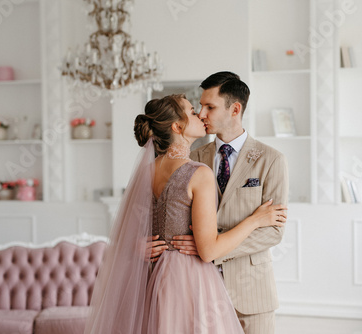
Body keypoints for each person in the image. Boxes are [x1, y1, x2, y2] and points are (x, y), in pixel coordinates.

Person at [83, 94, 287, 334]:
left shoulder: (147, 171)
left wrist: (139, 245)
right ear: (177, 126)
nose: (200, 114)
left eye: (205, 107)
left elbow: (133, 227)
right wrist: (256, 220)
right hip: (189, 279)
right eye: (193, 111)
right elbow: (209, 250)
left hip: (156, 276)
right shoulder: (198, 172)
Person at [170, 72, 289, 334]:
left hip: (253, 294)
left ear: (235, 109)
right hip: (202, 288)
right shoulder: (193, 158)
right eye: (200, 106)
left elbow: (273, 231)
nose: (202, 113)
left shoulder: (271, 160)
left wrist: (212, 248)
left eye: (209, 107)